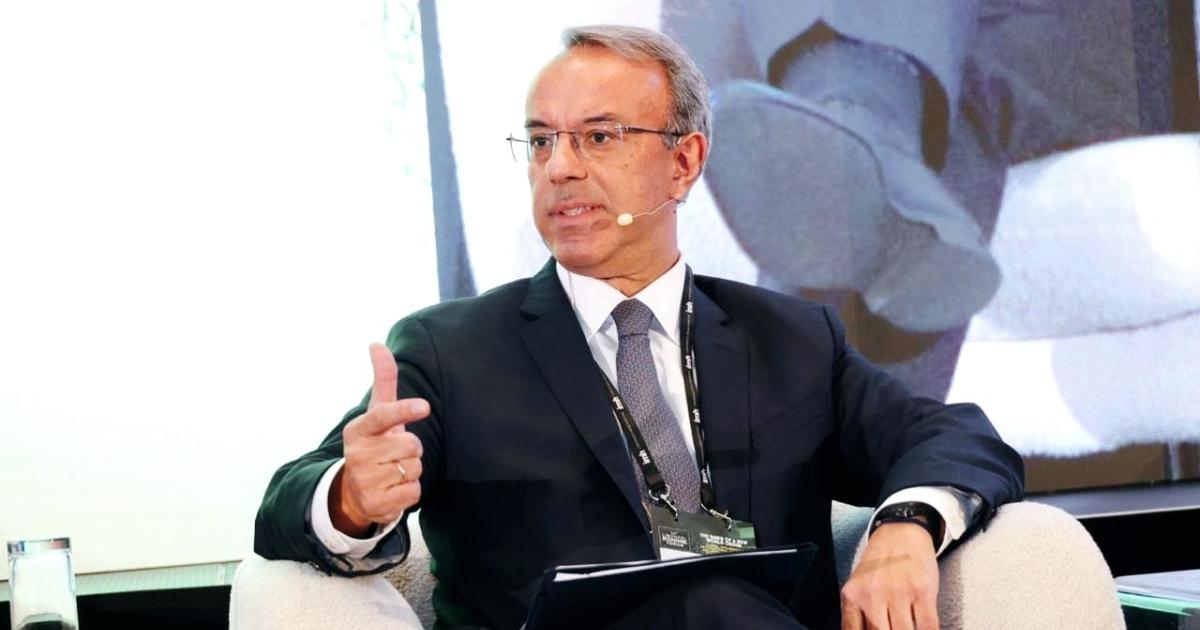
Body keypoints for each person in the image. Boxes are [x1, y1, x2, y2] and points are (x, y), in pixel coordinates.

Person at [254, 25, 1024, 630]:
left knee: (717, 601)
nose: (560, 167)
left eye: (598, 137)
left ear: (684, 163)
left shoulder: (790, 339)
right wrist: (351, 496)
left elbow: (957, 437)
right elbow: (287, 502)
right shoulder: (451, 351)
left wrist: (906, 526)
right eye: (542, 140)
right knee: (705, 603)